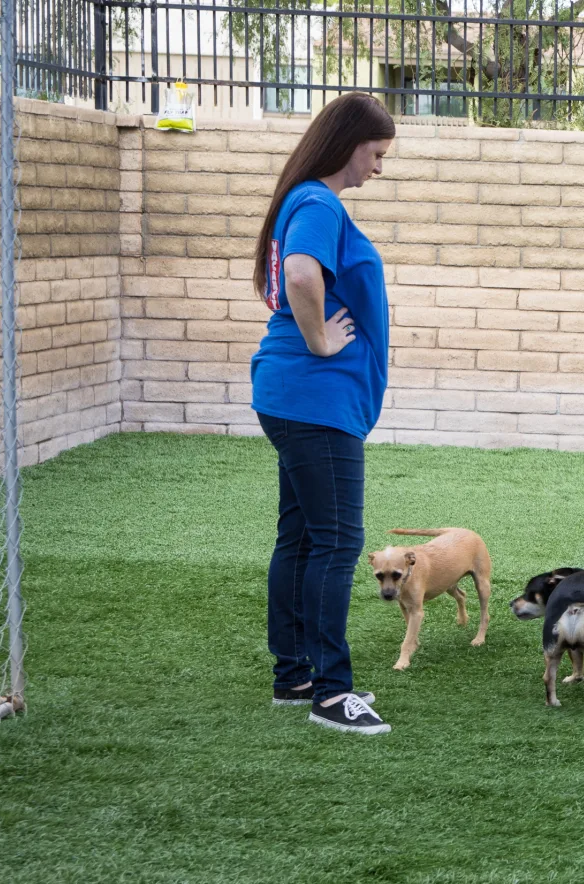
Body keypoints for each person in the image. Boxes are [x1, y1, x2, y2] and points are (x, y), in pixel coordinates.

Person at [249, 93, 396, 735]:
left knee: (303, 537)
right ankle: (332, 693)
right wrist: (321, 342)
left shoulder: (306, 200)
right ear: (348, 146)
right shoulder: (318, 202)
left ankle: (295, 674)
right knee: (337, 542)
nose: (379, 168)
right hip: (315, 400)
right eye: (376, 154)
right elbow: (304, 277)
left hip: (294, 399)